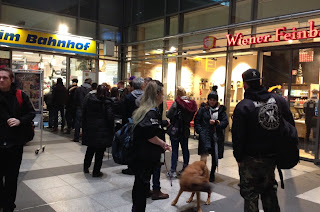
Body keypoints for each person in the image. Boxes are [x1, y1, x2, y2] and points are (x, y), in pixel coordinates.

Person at [232, 69, 294, 212]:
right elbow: (289, 126)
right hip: (271, 159)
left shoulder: (243, 106)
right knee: (269, 193)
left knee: (250, 196)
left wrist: (239, 157)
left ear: (245, 84)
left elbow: (238, 136)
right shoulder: (278, 101)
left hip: (249, 159)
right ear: (260, 81)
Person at [131, 81, 171, 212]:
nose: (163, 97)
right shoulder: (151, 113)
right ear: (157, 94)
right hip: (145, 157)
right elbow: (149, 135)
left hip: (141, 155)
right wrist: (163, 143)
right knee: (141, 189)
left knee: (140, 187)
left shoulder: (144, 110)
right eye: (162, 94)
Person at [0, 67, 35, 212]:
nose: (1, 80)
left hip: (14, 144)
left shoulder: (20, 95)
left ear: (11, 80)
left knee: (11, 177)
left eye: (5, 78)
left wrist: (20, 121)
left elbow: (31, 113)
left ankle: (9, 205)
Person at [194, 86, 228, 182]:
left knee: (214, 155)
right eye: (210, 100)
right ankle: (202, 172)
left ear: (216, 101)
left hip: (216, 137)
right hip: (205, 135)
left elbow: (225, 122)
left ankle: (212, 173)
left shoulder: (221, 110)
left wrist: (217, 123)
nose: (212, 102)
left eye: (214, 100)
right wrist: (200, 131)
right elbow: (197, 121)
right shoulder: (203, 109)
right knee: (203, 155)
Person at [82, 85, 114, 177]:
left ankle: (86, 167)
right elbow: (110, 117)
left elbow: (85, 114)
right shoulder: (107, 103)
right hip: (103, 130)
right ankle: (96, 171)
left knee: (90, 149)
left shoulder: (90, 101)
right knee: (100, 152)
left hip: (91, 128)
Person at [166, 86, 197, 178]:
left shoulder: (177, 103)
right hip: (186, 129)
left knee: (175, 150)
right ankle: (185, 168)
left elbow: (169, 114)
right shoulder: (191, 103)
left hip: (176, 129)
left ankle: (173, 170)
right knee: (185, 149)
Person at [121, 77, 144, 175]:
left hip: (130, 124)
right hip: (143, 124)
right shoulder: (146, 97)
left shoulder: (128, 97)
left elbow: (124, 112)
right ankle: (140, 165)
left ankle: (131, 167)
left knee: (131, 145)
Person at [73, 78, 92, 142]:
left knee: (77, 123)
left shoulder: (78, 89)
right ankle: (84, 138)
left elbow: (75, 99)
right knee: (85, 123)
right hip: (88, 109)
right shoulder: (90, 90)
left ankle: (76, 137)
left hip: (79, 108)